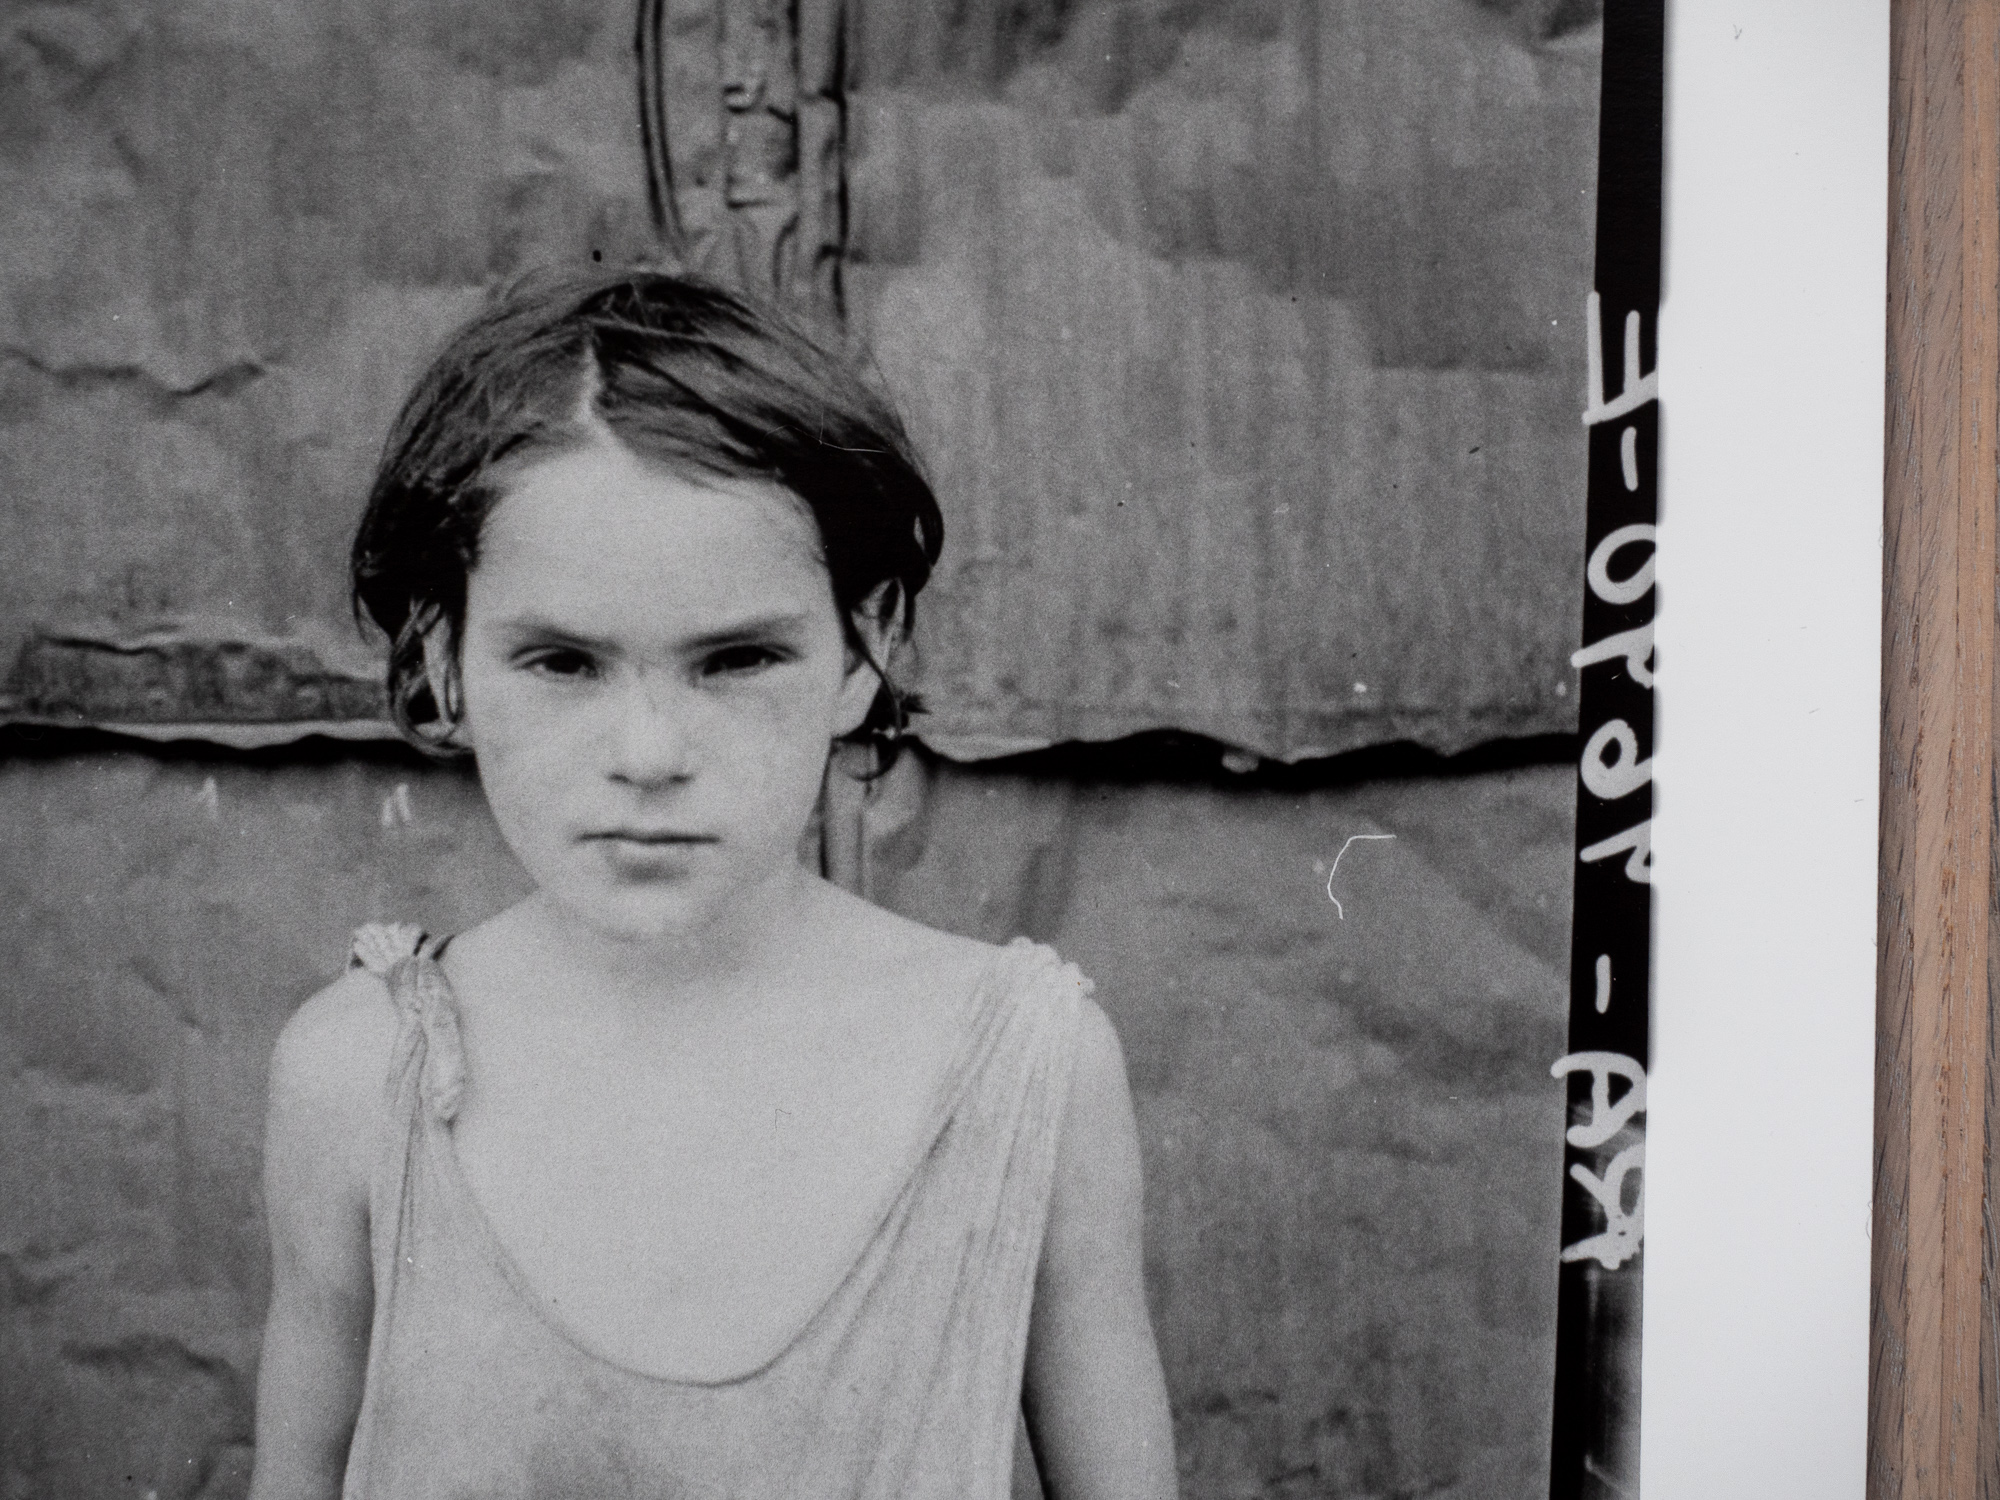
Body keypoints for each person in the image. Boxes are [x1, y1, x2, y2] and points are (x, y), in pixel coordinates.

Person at [247, 267, 1177, 1500]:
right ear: (443, 654)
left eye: (735, 660)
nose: (648, 755)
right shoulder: (358, 1077)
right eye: (562, 662)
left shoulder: (1026, 1075)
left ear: (865, 646)